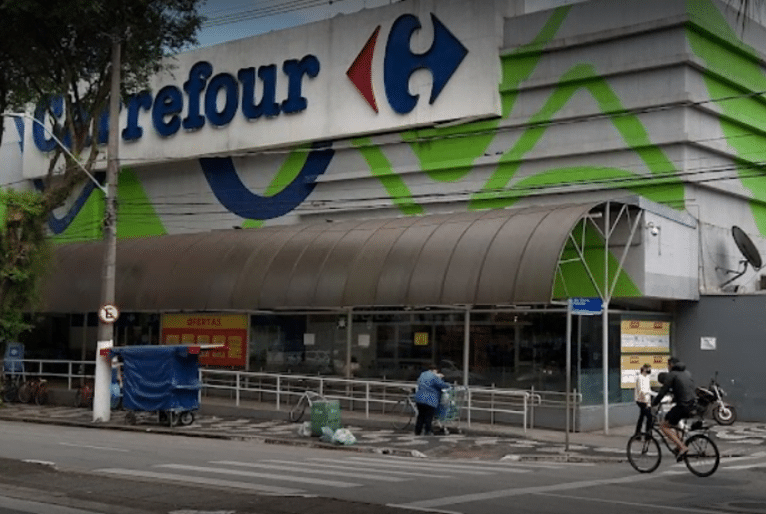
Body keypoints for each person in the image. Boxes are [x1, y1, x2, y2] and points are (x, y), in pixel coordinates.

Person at [652, 357, 696, 460]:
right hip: (693, 404)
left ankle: (682, 447)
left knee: (663, 426)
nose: (667, 367)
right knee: (674, 422)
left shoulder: (672, 374)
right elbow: (685, 389)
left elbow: (663, 391)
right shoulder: (687, 373)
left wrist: (654, 403)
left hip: (683, 406)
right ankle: (679, 446)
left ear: (671, 365)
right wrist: (675, 399)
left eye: (668, 365)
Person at [413, 363, 450, 436]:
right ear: (435, 370)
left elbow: (418, 382)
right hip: (430, 399)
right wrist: (448, 384)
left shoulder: (423, 374)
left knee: (420, 415)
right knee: (428, 416)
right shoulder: (434, 377)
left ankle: (417, 431)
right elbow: (442, 385)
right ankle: (428, 431)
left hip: (419, 398)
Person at [634, 363, 655, 436]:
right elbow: (641, 391)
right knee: (649, 417)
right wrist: (646, 402)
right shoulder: (640, 377)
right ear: (644, 369)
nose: (649, 370)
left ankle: (637, 433)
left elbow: (648, 390)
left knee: (642, 416)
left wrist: (654, 394)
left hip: (646, 400)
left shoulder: (647, 377)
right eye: (648, 369)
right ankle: (648, 434)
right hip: (641, 400)